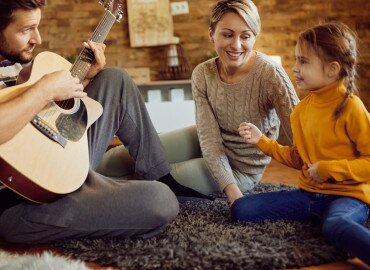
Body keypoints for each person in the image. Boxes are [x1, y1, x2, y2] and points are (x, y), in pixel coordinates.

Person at [0, 0, 210, 244]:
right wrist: (44, 89)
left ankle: (162, 175)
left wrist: (85, 81)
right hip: (19, 199)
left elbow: (40, 116)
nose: (37, 38)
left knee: (114, 79)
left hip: (58, 158)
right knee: (159, 201)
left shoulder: (18, 65)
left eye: (37, 27)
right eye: (26, 30)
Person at [237, 21, 370, 264]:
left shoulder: (351, 107)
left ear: (332, 69)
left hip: (349, 196)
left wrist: (328, 169)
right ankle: (319, 214)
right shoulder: (300, 112)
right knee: (241, 209)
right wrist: (262, 141)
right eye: (296, 60)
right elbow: (300, 159)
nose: (294, 67)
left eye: (303, 61)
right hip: (309, 195)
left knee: (336, 225)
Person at [151, 0, 299, 206]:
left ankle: (96, 198)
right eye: (227, 34)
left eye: (245, 36)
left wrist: (231, 190)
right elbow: (210, 139)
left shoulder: (270, 75)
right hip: (207, 143)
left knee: (153, 178)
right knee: (137, 153)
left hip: (241, 170)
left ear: (254, 37)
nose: (236, 45)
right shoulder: (202, 73)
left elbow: (302, 135)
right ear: (211, 34)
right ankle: (91, 180)